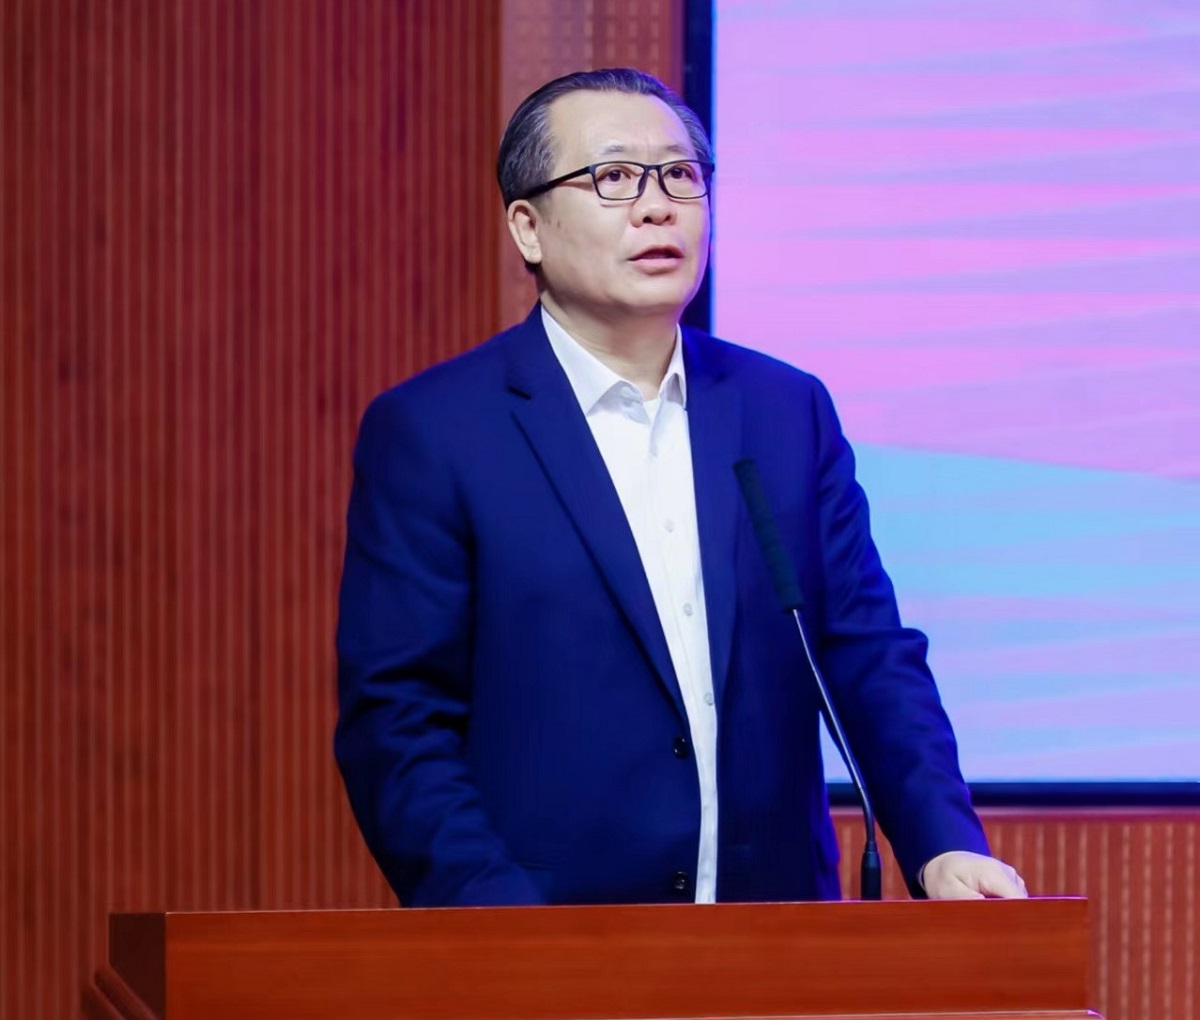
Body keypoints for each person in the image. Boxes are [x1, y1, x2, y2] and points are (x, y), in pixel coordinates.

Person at [335, 67, 1027, 908]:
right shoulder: (439, 431)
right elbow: (397, 721)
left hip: (776, 930)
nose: (657, 207)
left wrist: (941, 842)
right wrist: (498, 922)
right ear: (528, 228)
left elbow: (866, 652)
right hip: (547, 937)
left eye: (680, 176)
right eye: (614, 177)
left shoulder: (784, 411)